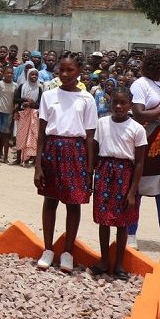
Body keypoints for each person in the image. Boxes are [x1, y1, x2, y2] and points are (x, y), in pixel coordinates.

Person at [34, 55, 98, 273]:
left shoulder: (87, 99)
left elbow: (90, 136)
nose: (65, 74)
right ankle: (48, 249)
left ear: (79, 71)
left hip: (76, 152)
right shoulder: (48, 95)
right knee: (50, 200)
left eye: (70, 70)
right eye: (61, 70)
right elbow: (41, 133)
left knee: (73, 202)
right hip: (52, 150)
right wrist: (38, 166)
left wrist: (89, 169)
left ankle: (68, 252)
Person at [127, 48, 160, 253]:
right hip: (144, 140)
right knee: (137, 189)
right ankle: (130, 234)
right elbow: (139, 114)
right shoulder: (140, 85)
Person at [90, 87, 147, 280]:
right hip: (104, 171)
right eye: (115, 102)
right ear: (110, 102)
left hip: (125, 174)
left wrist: (132, 191)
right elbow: (95, 150)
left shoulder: (137, 129)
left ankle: (119, 264)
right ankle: (104, 260)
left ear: (130, 105)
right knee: (103, 219)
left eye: (123, 103)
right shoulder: (101, 123)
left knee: (122, 221)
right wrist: (91, 176)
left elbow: (139, 162)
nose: (119, 106)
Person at [14, 68, 42, 167]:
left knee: (31, 137)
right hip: (23, 114)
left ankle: (27, 160)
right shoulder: (22, 86)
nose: (34, 76)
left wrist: (31, 104)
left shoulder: (39, 88)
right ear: (28, 75)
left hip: (33, 115)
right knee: (21, 136)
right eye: (32, 74)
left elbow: (40, 104)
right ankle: (18, 159)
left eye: (36, 75)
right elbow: (15, 99)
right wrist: (24, 99)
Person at [0, 65, 16, 165]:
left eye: (11, 73)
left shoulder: (15, 85)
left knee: (6, 135)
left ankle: (5, 157)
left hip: (9, 113)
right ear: (4, 74)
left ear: (13, 74)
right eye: (7, 73)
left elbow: (16, 99)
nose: (9, 74)